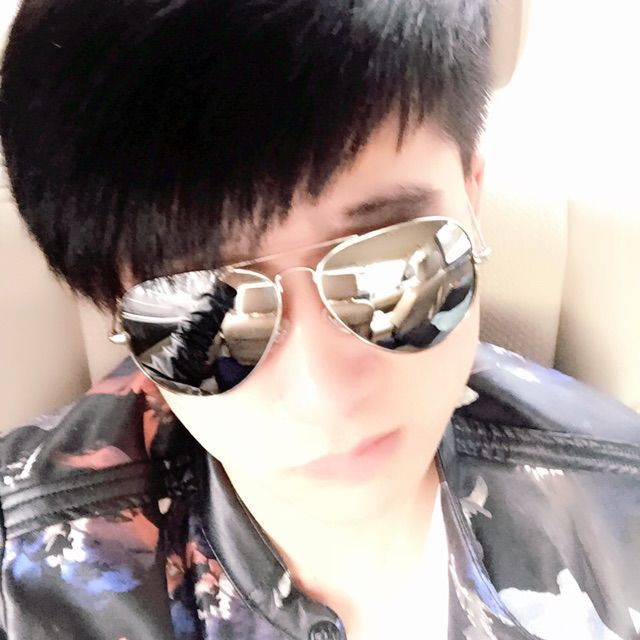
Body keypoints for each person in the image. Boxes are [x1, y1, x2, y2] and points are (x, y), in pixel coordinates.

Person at [0, 1, 638, 639]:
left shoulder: (621, 507)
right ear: (112, 305)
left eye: (392, 264)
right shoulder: (22, 573)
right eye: (205, 313)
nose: (325, 392)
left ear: (473, 195)